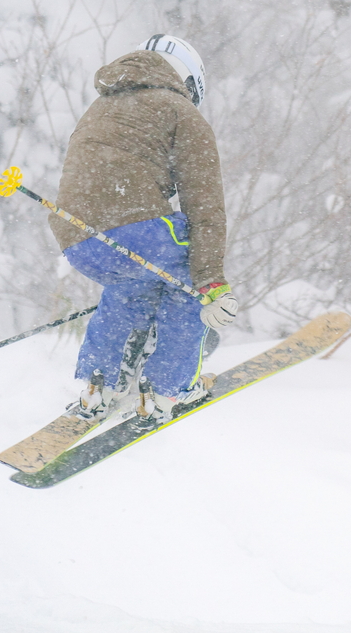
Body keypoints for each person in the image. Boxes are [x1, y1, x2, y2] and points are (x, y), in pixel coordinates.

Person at [49, 34, 238, 424]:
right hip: (135, 230)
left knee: (131, 285)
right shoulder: (180, 112)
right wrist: (211, 284)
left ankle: (100, 386)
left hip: (76, 238)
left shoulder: (101, 106)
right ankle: (168, 393)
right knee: (186, 280)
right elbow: (204, 208)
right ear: (187, 82)